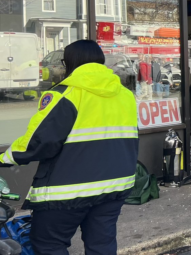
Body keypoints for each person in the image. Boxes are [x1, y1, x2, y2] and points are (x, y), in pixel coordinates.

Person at [0, 40, 138, 254]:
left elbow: (40, 141)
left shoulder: (65, 93)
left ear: (69, 63)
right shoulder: (125, 95)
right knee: (101, 245)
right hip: (115, 186)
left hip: (67, 192)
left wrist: (4, 158)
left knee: (49, 245)